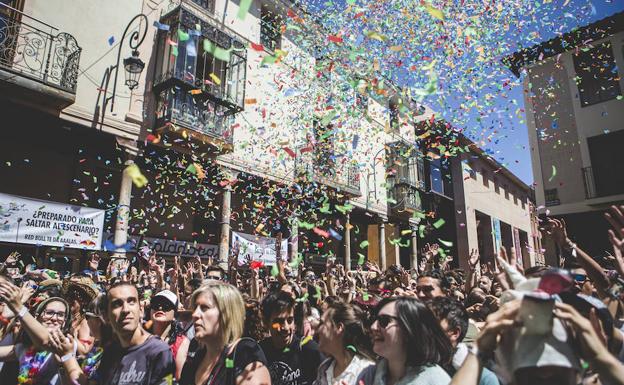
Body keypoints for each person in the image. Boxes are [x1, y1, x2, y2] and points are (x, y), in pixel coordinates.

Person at [179, 281, 270, 385]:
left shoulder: (245, 353)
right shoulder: (196, 354)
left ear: (227, 314)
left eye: (204, 308)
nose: (195, 314)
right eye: (195, 307)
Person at [0, 280, 84, 385]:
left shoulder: (66, 344)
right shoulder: (23, 348)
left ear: (64, 322)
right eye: (49, 313)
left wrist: (19, 308)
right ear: (37, 316)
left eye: (61, 315)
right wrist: (4, 318)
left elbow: (46, 341)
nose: (54, 318)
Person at [357, 296, 452, 385]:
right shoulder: (369, 375)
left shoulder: (436, 381)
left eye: (384, 321)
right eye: (374, 320)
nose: (373, 327)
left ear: (410, 328)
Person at [96, 282, 175, 385]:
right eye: (117, 304)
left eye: (131, 301)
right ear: (106, 316)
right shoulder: (109, 353)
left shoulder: (159, 351)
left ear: (141, 309)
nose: (126, 310)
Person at [427, 297, 498, 385]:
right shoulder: (415, 369)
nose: (423, 330)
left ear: (454, 333)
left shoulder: (483, 379)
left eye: (431, 325)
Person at [260, 291, 324, 385]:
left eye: (290, 320)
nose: (286, 328)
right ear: (266, 322)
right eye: (279, 321)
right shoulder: (259, 353)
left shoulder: (310, 350)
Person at [314, 302, 375, 385]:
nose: (317, 330)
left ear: (339, 328)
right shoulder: (324, 368)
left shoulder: (367, 371)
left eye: (322, 323)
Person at [148, 289, 190, 380]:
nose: (160, 308)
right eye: (156, 305)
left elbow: (178, 378)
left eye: (166, 306)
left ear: (175, 314)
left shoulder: (181, 342)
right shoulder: (140, 336)